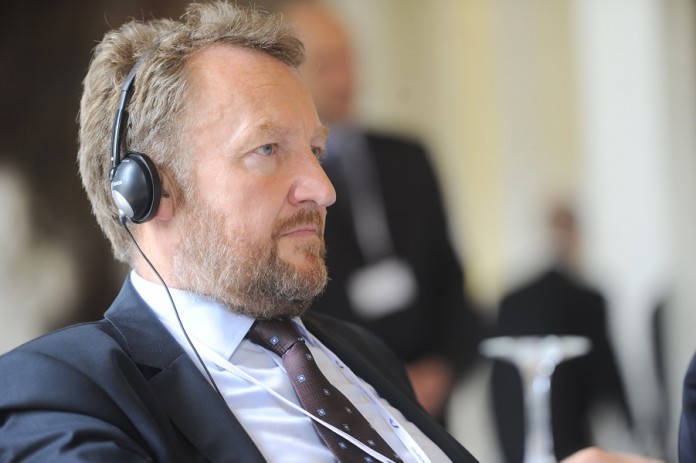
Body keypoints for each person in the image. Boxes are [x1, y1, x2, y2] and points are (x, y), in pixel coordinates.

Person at [0, 3, 667, 463]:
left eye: (316, 151)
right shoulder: (62, 389)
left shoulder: (358, 353)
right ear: (147, 191)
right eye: (268, 149)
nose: (323, 189)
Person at [280, 0, 485, 424]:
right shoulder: (285, 179)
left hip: (429, 399)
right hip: (342, 399)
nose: (346, 78)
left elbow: (448, 272)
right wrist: (377, 380)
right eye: (326, 64)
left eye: (350, 59)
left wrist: (442, 369)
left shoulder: (409, 156)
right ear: (289, 75)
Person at [489, 204, 632, 462]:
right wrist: (632, 424)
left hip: (513, 433)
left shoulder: (512, 299)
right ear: (577, 236)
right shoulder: (588, 299)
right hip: (570, 433)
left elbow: (497, 386)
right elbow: (606, 373)